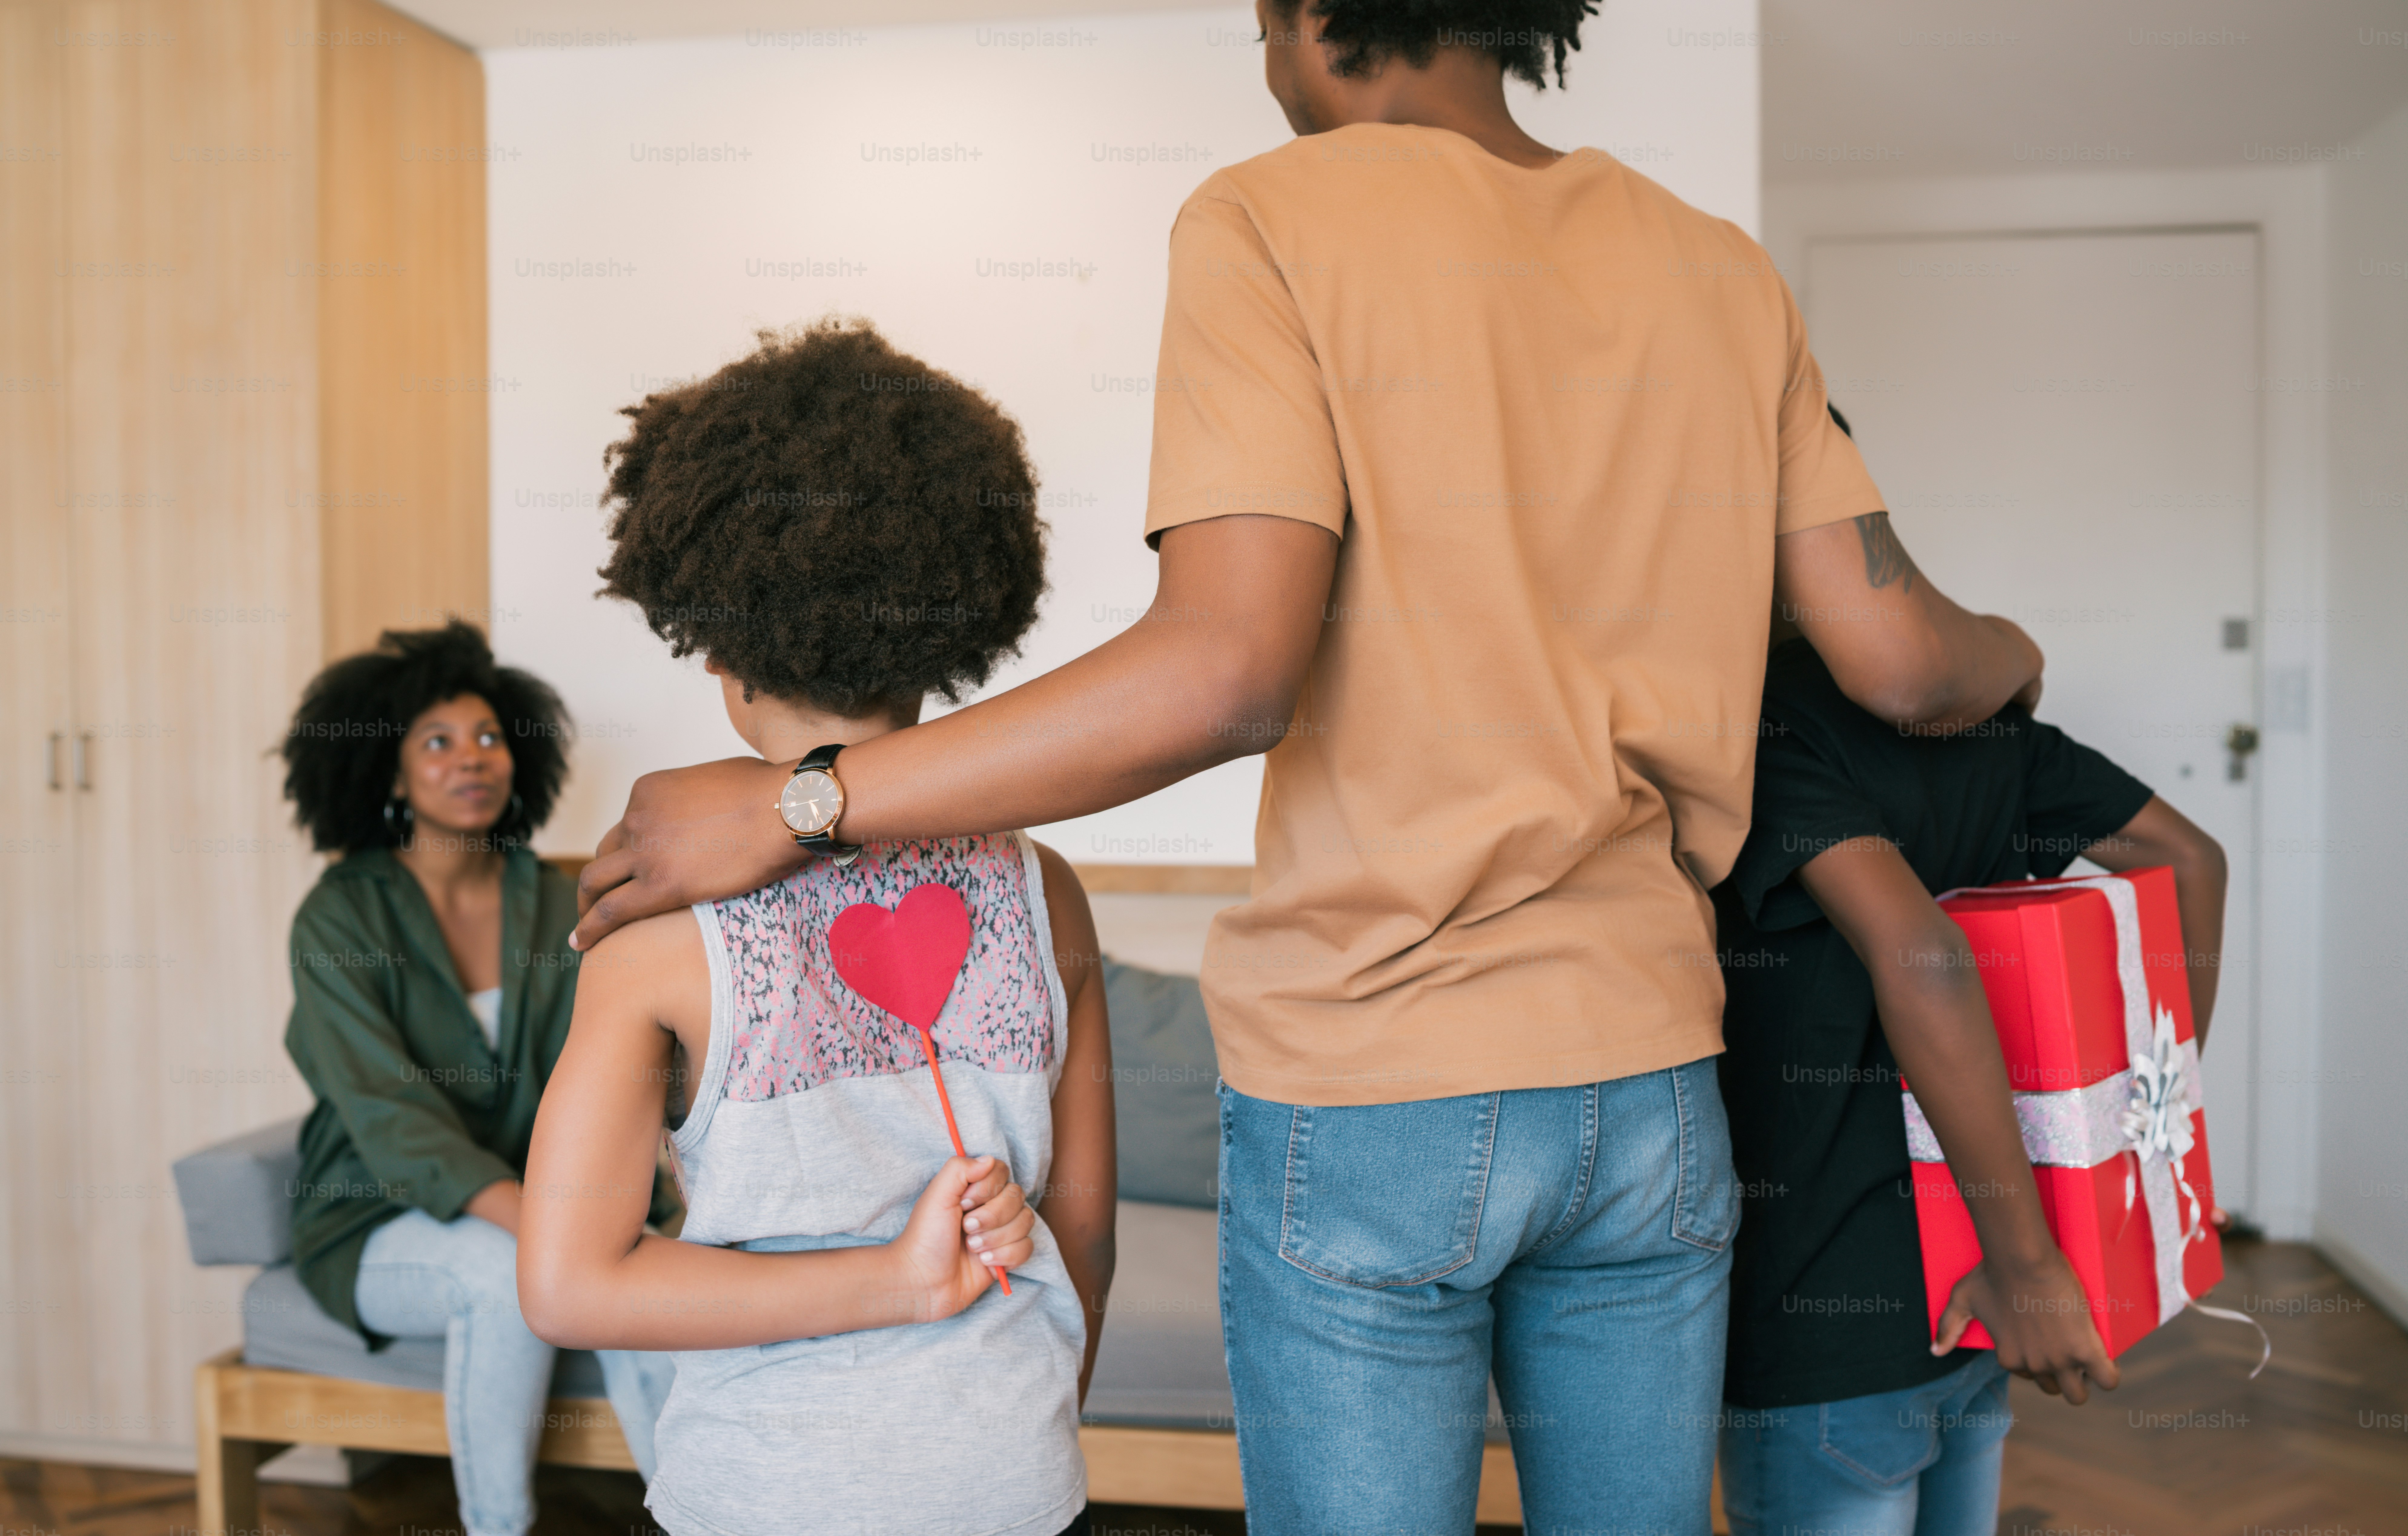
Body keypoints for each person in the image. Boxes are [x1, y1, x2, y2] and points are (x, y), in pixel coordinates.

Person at [562, 6, 2046, 1528]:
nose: (1262, 57)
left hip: (1379, 1067)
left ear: (1312, 15)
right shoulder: (1717, 267)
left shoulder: (1269, 217)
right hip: (1651, 1071)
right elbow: (1908, 661)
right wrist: (2017, 659)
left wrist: (799, 799)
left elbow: (1225, 674)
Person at [514, 321, 1116, 1536]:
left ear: (717, 641)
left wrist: (891, 1283)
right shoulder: (1043, 889)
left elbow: (570, 1283)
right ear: (955, 620)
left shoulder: (655, 938)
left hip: (766, 1492)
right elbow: (1084, 1235)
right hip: (1013, 1478)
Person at [1710, 632, 2227, 1536]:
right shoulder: (1977, 720)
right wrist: (2143, 1135)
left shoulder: (1754, 729)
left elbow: (1924, 955)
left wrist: (2030, 1267)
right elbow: (2190, 861)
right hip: (1983, 1288)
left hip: (1829, 1318)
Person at [278, 622, 676, 1536]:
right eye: (438, 742)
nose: (473, 760)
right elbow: (391, 1120)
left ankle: (696, 1519)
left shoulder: (558, 901)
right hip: (375, 1216)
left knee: (645, 1271)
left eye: (491, 738)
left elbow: (618, 1069)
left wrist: (617, 1208)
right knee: (504, 1272)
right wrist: (557, 1222)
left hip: (549, 1203)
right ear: (390, 770)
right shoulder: (340, 916)